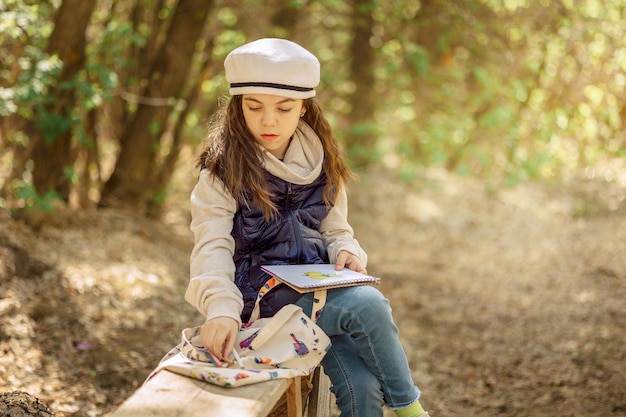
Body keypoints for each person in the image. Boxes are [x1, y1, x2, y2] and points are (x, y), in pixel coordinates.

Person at [185, 38, 430, 417]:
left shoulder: (323, 159)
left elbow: (336, 230)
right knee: (367, 305)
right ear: (238, 107)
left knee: (362, 388)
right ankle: (412, 411)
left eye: (284, 108)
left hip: (321, 295)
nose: (269, 120)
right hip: (263, 303)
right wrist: (220, 308)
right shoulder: (221, 170)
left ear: (303, 108)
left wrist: (347, 252)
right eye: (255, 107)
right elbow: (211, 246)